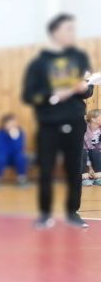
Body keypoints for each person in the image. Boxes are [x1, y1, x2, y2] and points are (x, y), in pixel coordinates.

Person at [22, 13, 94, 229]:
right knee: (46, 169)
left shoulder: (80, 58)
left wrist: (84, 89)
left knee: (74, 168)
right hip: (48, 126)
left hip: (75, 123)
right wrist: (53, 94)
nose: (72, 33)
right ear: (55, 33)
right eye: (68, 29)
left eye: (73, 28)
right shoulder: (38, 64)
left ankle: (73, 212)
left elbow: (88, 91)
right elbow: (29, 95)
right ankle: (45, 214)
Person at [0, 114, 28, 188]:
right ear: (4, 124)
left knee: (20, 157)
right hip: (3, 155)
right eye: (10, 123)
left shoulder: (20, 133)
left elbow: (20, 148)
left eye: (14, 123)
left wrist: (14, 136)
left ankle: (21, 179)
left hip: (14, 156)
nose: (13, 125)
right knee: (0, 157)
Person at [82, 109, 101, 186]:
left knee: (95, 150)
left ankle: (99, 177)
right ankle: (84, 178)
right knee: (82, 151)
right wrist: (90, 168)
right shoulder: (84, 130)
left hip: (98, 155)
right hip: (86, 154)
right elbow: (85, 148)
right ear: (93, 119)